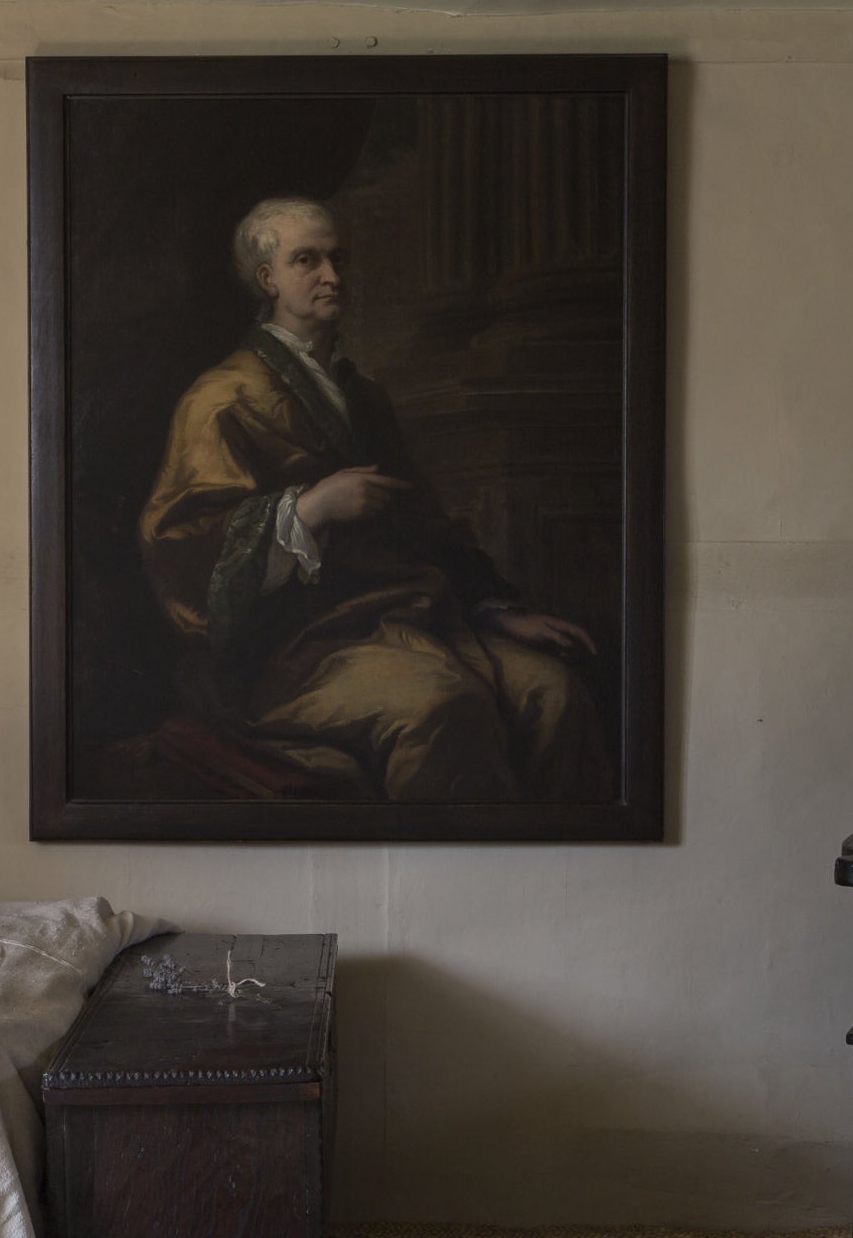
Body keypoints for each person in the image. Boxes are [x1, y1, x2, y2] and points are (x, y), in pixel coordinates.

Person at [138, 195, 612, 802]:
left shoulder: (361, 397)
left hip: (407, 618)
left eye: (337, 259)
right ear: (268, 279)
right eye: (307, 260)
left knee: (553, 694)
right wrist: (308, 509)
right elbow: (180, 547)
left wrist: (495, 608)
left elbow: (423, 522)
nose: (332, 276)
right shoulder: (219, 398)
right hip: (291, 654)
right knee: (444, 707)